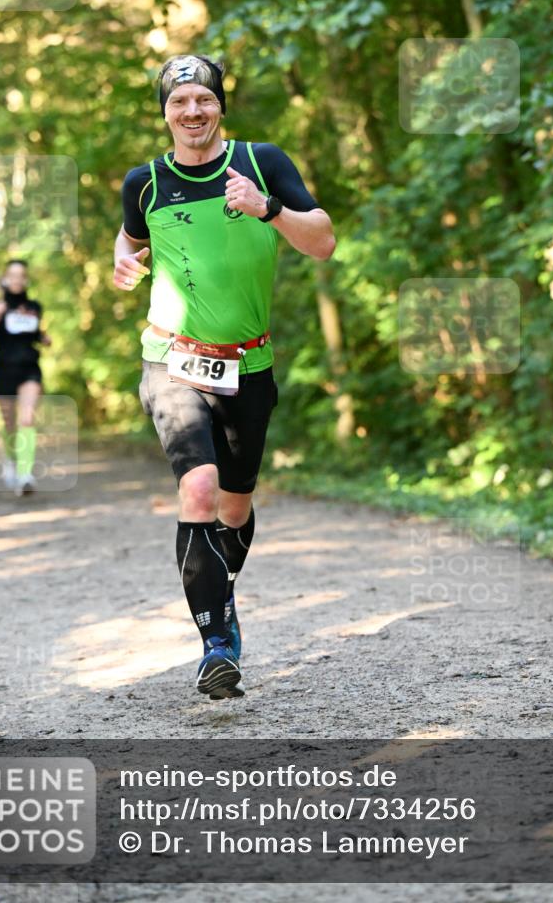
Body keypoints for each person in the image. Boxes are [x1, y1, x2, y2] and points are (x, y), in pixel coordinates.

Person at [115, 54, 335, 699]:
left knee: (235, 507)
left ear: (219, 107)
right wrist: (123, 263)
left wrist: (267, 207)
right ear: (165, 113)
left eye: (203, 100)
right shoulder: (146, 181)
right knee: (200, 493)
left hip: (249, 366)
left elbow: (321, 241)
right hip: (171, 361)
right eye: (179, 102)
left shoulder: (263, 162)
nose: (192, 112)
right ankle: (218, 646)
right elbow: (130, 240)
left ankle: (219, 590)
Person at [0, 259, 51, 496]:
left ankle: (25, 475)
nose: (17, 279)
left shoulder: (34, 307)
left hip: (30, 369)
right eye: (13, 274)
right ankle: (10, 460)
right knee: (10, 424)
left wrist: (44, 338)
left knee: (27, 419)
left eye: (21, 275)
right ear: (5, 279)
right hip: (4, 371)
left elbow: (35, 332)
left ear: (26, 280)